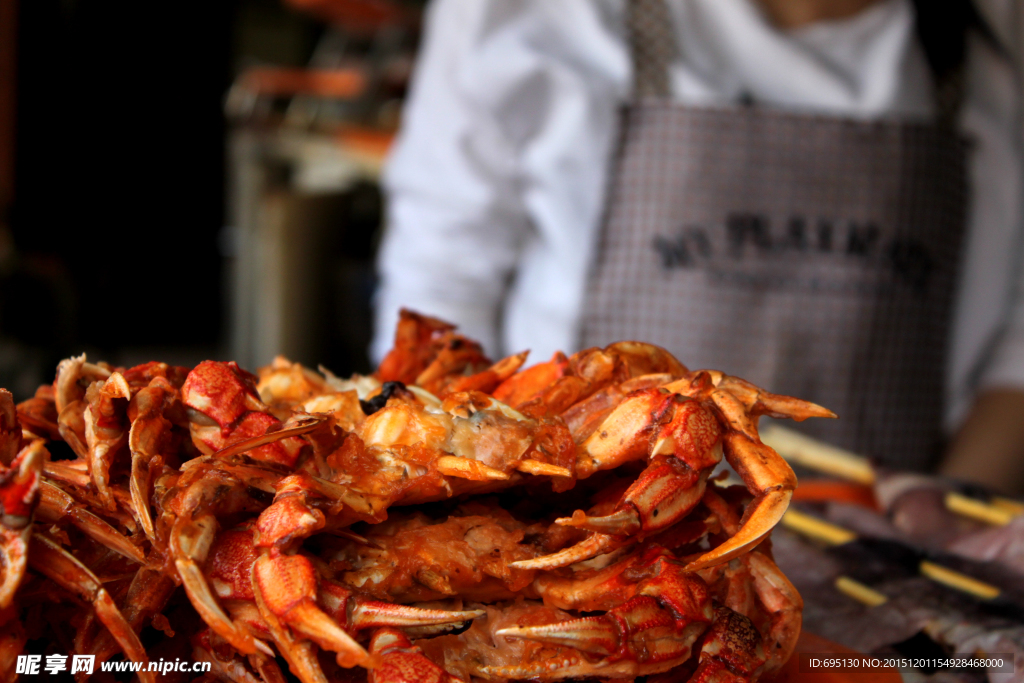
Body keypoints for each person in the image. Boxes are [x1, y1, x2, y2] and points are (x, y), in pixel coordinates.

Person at [372, 0, 1024, 493]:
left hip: (886, 577)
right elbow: (441, 289)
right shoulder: (521, 19)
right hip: (576, 545)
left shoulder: (1000, 47)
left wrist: (927, 532)